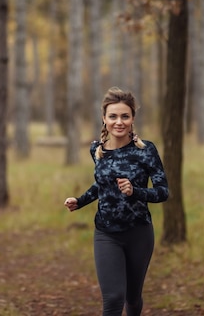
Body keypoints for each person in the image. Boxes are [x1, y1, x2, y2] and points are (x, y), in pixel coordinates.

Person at [64, 86, 169, 316]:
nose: (118, 122)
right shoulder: (97, 150)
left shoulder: (146, 150)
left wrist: (136, 191)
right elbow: (103, 185)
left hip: (139, 233)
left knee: (132, 299)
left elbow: (163, 192)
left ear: (132, 119)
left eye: (125, 116)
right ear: (104, 119)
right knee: (113, 299)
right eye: (113, 116)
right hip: (106, 233)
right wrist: (80, 201)